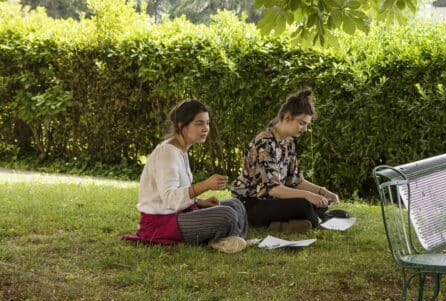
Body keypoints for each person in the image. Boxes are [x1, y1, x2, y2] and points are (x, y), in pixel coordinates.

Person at [123, 100, 248, 253]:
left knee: (236, 205)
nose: (205, 129)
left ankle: (228, 240)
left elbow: (178, 191)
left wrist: (200, 202)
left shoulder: (181, 150)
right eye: (199, 123)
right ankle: (228, 239)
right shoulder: (167, 153)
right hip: (162, 223)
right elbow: (170, 199)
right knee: (227, 215)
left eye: (207, 123)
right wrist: (205, 185)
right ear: (182, 125)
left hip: (180, 214)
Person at [230, 88, 343, 231]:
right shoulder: (264, 142)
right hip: (250, 203)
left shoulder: (288, 142)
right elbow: (274, 190)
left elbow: (296, 181)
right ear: (287, 117)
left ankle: (288, 223)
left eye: (307, 124)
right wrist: (309, 196)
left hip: (273, 201)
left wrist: (322, 192)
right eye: (302, 123)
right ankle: (307, 219)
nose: (305, 129)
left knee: (320, 201)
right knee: (305, 204)